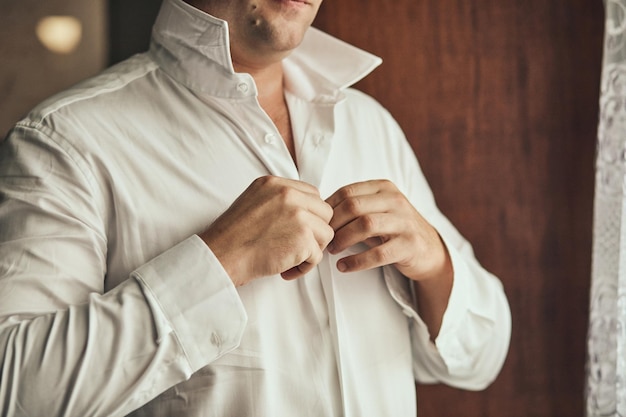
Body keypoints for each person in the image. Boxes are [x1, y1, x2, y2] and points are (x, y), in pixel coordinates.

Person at [0, 0, 511, 415]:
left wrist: (435, 263)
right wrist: (217, 263)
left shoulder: (370, 125)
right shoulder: (65, 142)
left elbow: (480, 359)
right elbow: (16, 392)